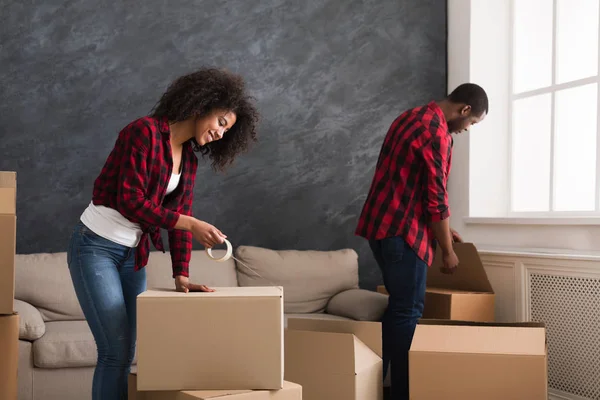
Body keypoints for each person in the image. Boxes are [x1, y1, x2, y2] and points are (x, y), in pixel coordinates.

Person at [67, 68, 259, 400]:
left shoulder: (190, 162)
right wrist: (191, 224)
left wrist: (181, 275)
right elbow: (132, 201)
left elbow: (179, 220)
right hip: (95, 247)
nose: (221, 134)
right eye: (221, 123)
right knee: (114, 350)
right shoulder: (143, 132)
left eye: (227, 131)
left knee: (126, 354)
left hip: (133, 257)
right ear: (202, 105)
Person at [355, 83, 488, 399]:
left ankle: (370, 383)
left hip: (382, 227)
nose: (467, 129)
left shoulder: (410, 117)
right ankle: (400, 393)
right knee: (408, 311)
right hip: (403, 234)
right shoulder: (436, 132)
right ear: (464, 109)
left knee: (399, 308)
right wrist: (447, 249)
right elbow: (436, 198)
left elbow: (408, 183)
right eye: (471, 123)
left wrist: (444, 230)